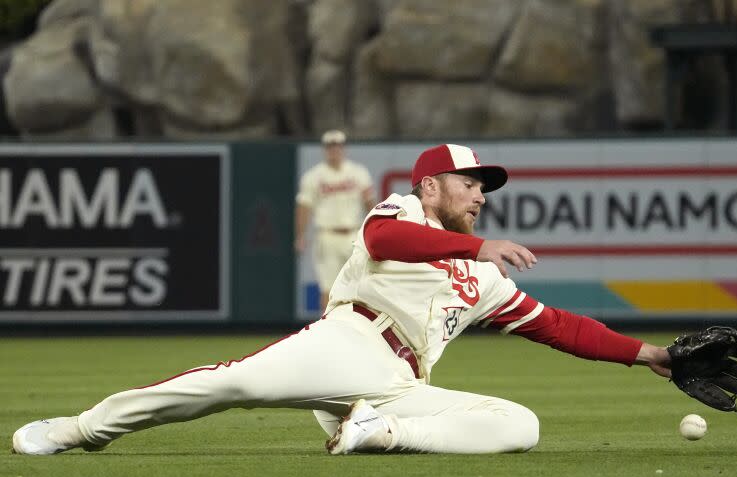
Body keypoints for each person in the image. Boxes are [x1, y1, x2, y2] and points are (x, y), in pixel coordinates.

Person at [12, 143, 673, 457]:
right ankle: (84, 429)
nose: (479, 195)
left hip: (400, 384)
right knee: (227, 384)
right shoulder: (402, 208)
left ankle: (375, 433)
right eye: (469, 183)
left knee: (520, 426)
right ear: (431, 186)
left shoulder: (489, 279)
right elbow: (387, 239)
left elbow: (558, 325)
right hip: (348, 341)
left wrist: (652, 355)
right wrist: (477, 247)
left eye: (483, 188)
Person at [295, 129, 375, 312]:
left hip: (354, 234)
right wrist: (300, 236)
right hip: (327, 235)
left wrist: (374, 231)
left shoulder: (358, 172)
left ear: (343, 148)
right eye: (330, 147)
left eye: (338, 146)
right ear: (325, 150)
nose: (334, 150)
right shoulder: (313, 176)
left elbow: (370, 203)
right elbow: (303, 207)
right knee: (328, 288)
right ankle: (327, 331)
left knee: (360, 287)